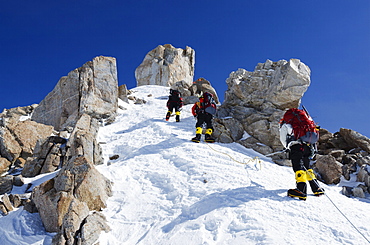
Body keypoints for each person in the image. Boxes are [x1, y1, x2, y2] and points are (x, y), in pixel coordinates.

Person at [279, 108, 325, 200]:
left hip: (296, 147)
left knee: (298, 167)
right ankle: (317, 188)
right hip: (307, 147)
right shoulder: (306, 125)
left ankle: (301, 190)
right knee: (307, 167)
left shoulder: (287, 125)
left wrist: (287, 147)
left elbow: (283, 139)